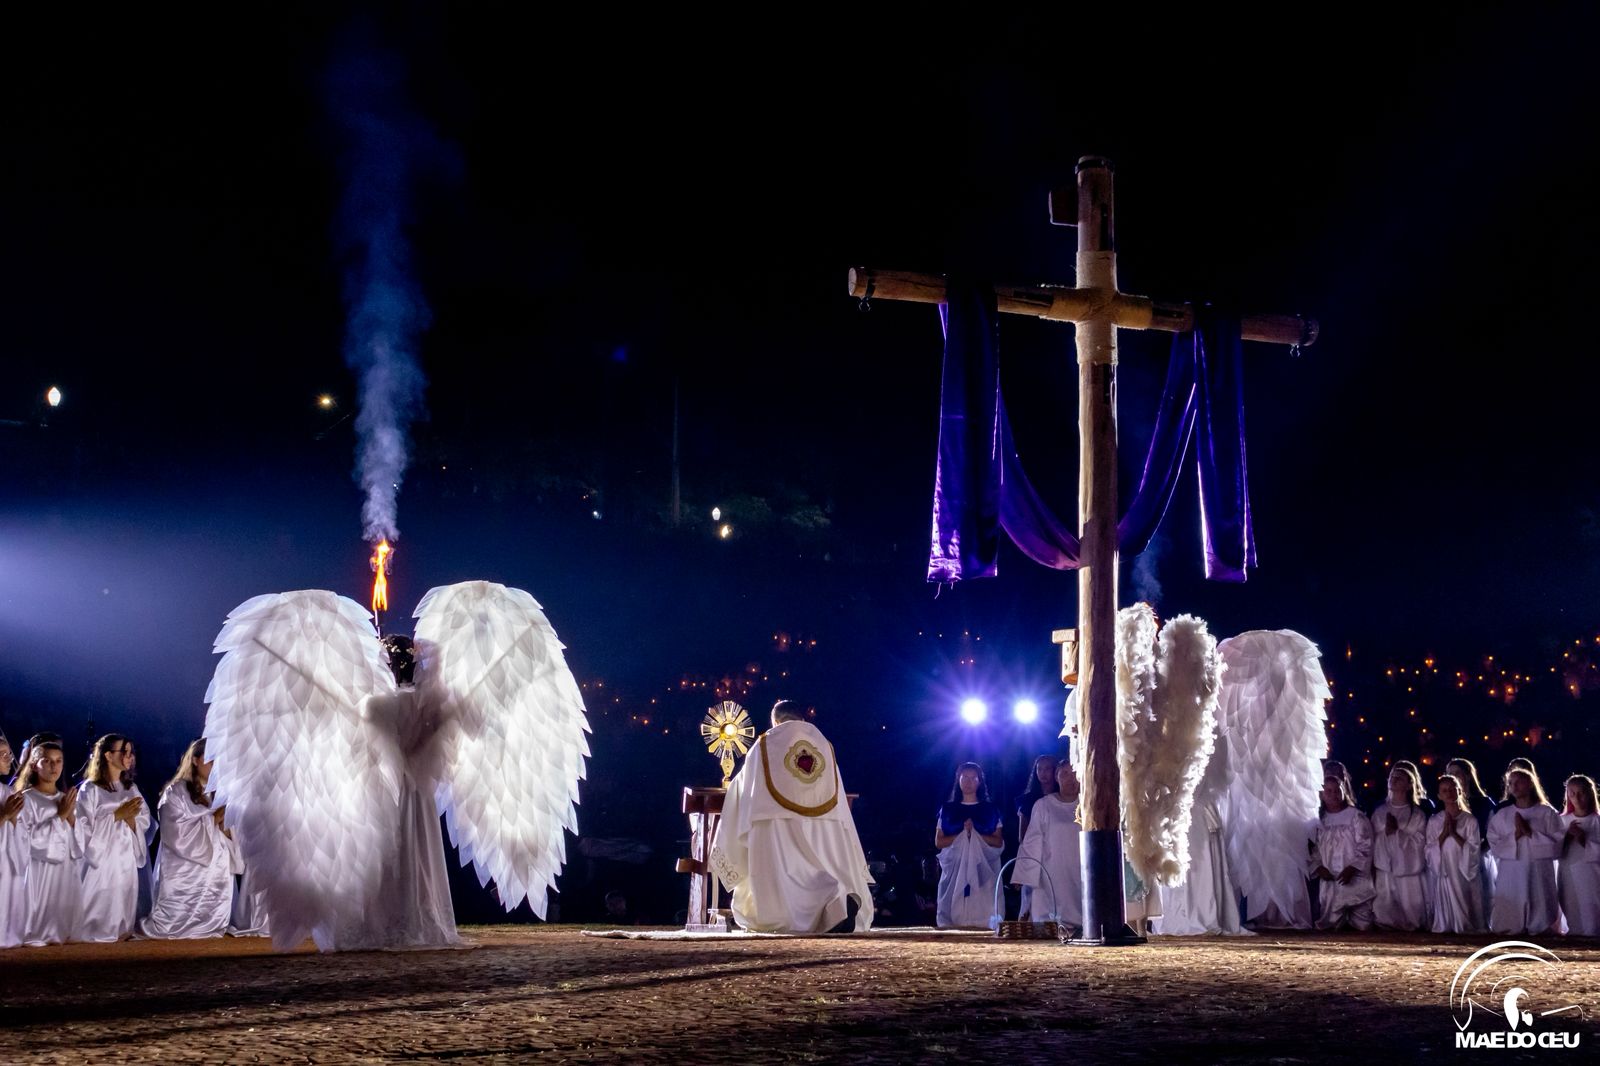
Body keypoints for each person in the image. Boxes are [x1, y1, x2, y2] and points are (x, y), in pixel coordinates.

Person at [709, 701, 873, 934]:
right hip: (823, 823)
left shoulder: (765, 743)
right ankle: (837, 906)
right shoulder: (824, 744)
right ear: (802, 718)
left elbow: (745, 786)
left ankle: (833, 906)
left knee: (790, 879)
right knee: (820, 864)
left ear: (776, 721)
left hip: (776, 824)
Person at [140, 739, 241, 939]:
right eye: (210, 760)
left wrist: (225, 825)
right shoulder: (176, 791)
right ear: (195, 760)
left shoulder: (220, 793)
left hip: (216, 867)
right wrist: (213, 820)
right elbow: (175, 832)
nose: (215, 766)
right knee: (173, 918)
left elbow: (232, 831)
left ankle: (211, 925)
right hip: (185, 869)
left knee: (212, 920)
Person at [74, 734, 152, 942]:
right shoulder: (90, 789)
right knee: (99, 898)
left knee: (122, 895)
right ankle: (93, 932)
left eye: (131, 752)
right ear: (108, 755)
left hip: (125, 854)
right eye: (123, 751)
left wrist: (131, 821)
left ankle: (121, 931)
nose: (129, 756)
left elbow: (144, 820)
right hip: (100, 857)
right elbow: (82, 827)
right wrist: (116, 816)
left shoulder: (130, 788)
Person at [17, 740, 83, 945]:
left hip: (64, 866)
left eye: (58, 761)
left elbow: (80, 843)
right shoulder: (26, 799)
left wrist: (72, 821)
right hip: (39, 868)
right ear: (35, 764)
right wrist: (60, 817)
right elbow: (26, 839)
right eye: (47, 761)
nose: (54, 766)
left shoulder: (65, 798)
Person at [1487, 766, 1563, 935]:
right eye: (1511, 783)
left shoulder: (1547, 813)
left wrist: (1530, 834)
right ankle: (1510, 924)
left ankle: (1541, 925)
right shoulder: (1503, 814)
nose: (1514, 786)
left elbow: (1558, 842)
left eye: (1518, 782)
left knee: (1538, 894)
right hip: (1512, 867)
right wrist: (1515, 836)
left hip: (1538, 867)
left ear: (1530, 784)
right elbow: (1493, 841)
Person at [1010, 760, 1083, 931]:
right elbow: (1031, 841)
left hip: (1080, 870)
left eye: (1074, 774)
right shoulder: (1044, 805)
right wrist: (1024, 875)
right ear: (1056, 777)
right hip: (1051, 871)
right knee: (1049, 915)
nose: (1070, 779)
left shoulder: (1088, 804)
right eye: (1064, 774)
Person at [934, 762, 1004, 929]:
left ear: (980, 782)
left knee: (984, 910)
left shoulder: (990, 809)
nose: (968, 782)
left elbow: (998, 841)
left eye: (973, 778)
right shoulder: (948, 809)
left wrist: (976, 836)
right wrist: (962, 836)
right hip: (955, 870)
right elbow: (939, 842)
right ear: (958, 779)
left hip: (983, 873)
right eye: (965, 777)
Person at [1310, 769, 1374, 930]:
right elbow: (1315, 849)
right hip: (1331, 879)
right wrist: (1318, 867)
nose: (1333, 795)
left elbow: (1366, 845)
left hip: (1354, 877)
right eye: (1328, 791)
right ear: (1322, 795)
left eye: (1337, 790)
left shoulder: (1355, 817)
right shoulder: (1319, 821)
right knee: (1330, 924)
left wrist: (1353, 868)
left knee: (1362, 924)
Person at [1371, 764, 1429, 931]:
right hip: (1385, 865)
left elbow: (1419, 840)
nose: (1394, 780)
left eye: (1399, 778)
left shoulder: (1417, 814)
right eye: (1392, 777)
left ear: (1410, 784)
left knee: (1409, 903)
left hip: (1407, 867)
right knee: (1385, 901)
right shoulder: (1380, 811)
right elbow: (1372, 838)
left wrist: (1397, 834)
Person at [1425, 773, 1483, 933]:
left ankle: (1465, 924)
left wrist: (1455, 834)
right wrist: (1444, 832)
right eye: (1444, 790)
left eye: (1452, 789)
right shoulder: (1434, 821)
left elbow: (1473, 849)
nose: (1449, 793)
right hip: (1445, 871)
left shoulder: (1470, 821)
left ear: (1460, 791)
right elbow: (1430, 849)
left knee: (1464, 897)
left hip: (1462, 870)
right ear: (1439, 795)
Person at [1445, 757, 1497, 917]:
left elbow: (1492, 831)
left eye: (1457, 773)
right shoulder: (1444, 804)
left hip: (1478, 855)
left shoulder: (1484, 803)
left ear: (1467, 776)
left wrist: (1476, 851)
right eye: (1449, 774)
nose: (1453, 777)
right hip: (1452, 858)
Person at [1014, 755, 1058, 922]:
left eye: (1047, 768)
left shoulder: (1062, 797)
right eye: (1040, 769)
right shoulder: (1028, 800)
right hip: (1034, 852)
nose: (1043, 773)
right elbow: (1022, 836)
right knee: (1030, 896)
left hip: (1057, 852)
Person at [1558, 774, 1599, 936]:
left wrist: (1584, 840)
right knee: (1570, 900)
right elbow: (1552, 847)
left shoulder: (1597, 821)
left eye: (1581, 793)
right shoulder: (1562, 820)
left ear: (1590, 793)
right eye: (1572, 793)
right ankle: (1574, 931)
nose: (1577, 798)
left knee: (1592, 901)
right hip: (1568, 867)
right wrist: (1567, 837)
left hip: (1592, 871)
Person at [1, 730, 27, 947]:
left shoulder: (8, 791)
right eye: (2, 754)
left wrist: (15, 819)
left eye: (9, 754)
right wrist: (4, 815)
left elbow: (21, 831)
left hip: (8, 858)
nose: (8, 759)